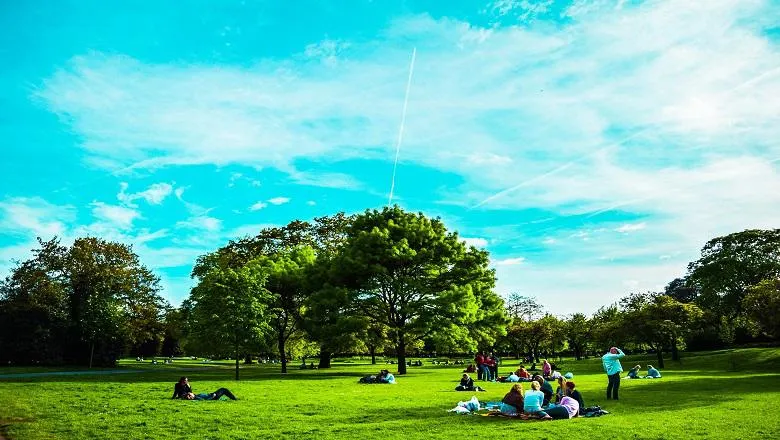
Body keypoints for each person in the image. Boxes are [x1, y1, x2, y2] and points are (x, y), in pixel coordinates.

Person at [172, 377, 237, 401]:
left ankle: (234, 398)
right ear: (181, 381)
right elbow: (176, 392)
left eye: (186, 381)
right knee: (224, 389)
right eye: (185, 381)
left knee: (223, 390)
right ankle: (235, 399)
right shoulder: (177, 385)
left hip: (211, 395)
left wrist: (189, 387)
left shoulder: (187, 386)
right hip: (212, 396)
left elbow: (191, 392)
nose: (186, 382)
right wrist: (173, 398)